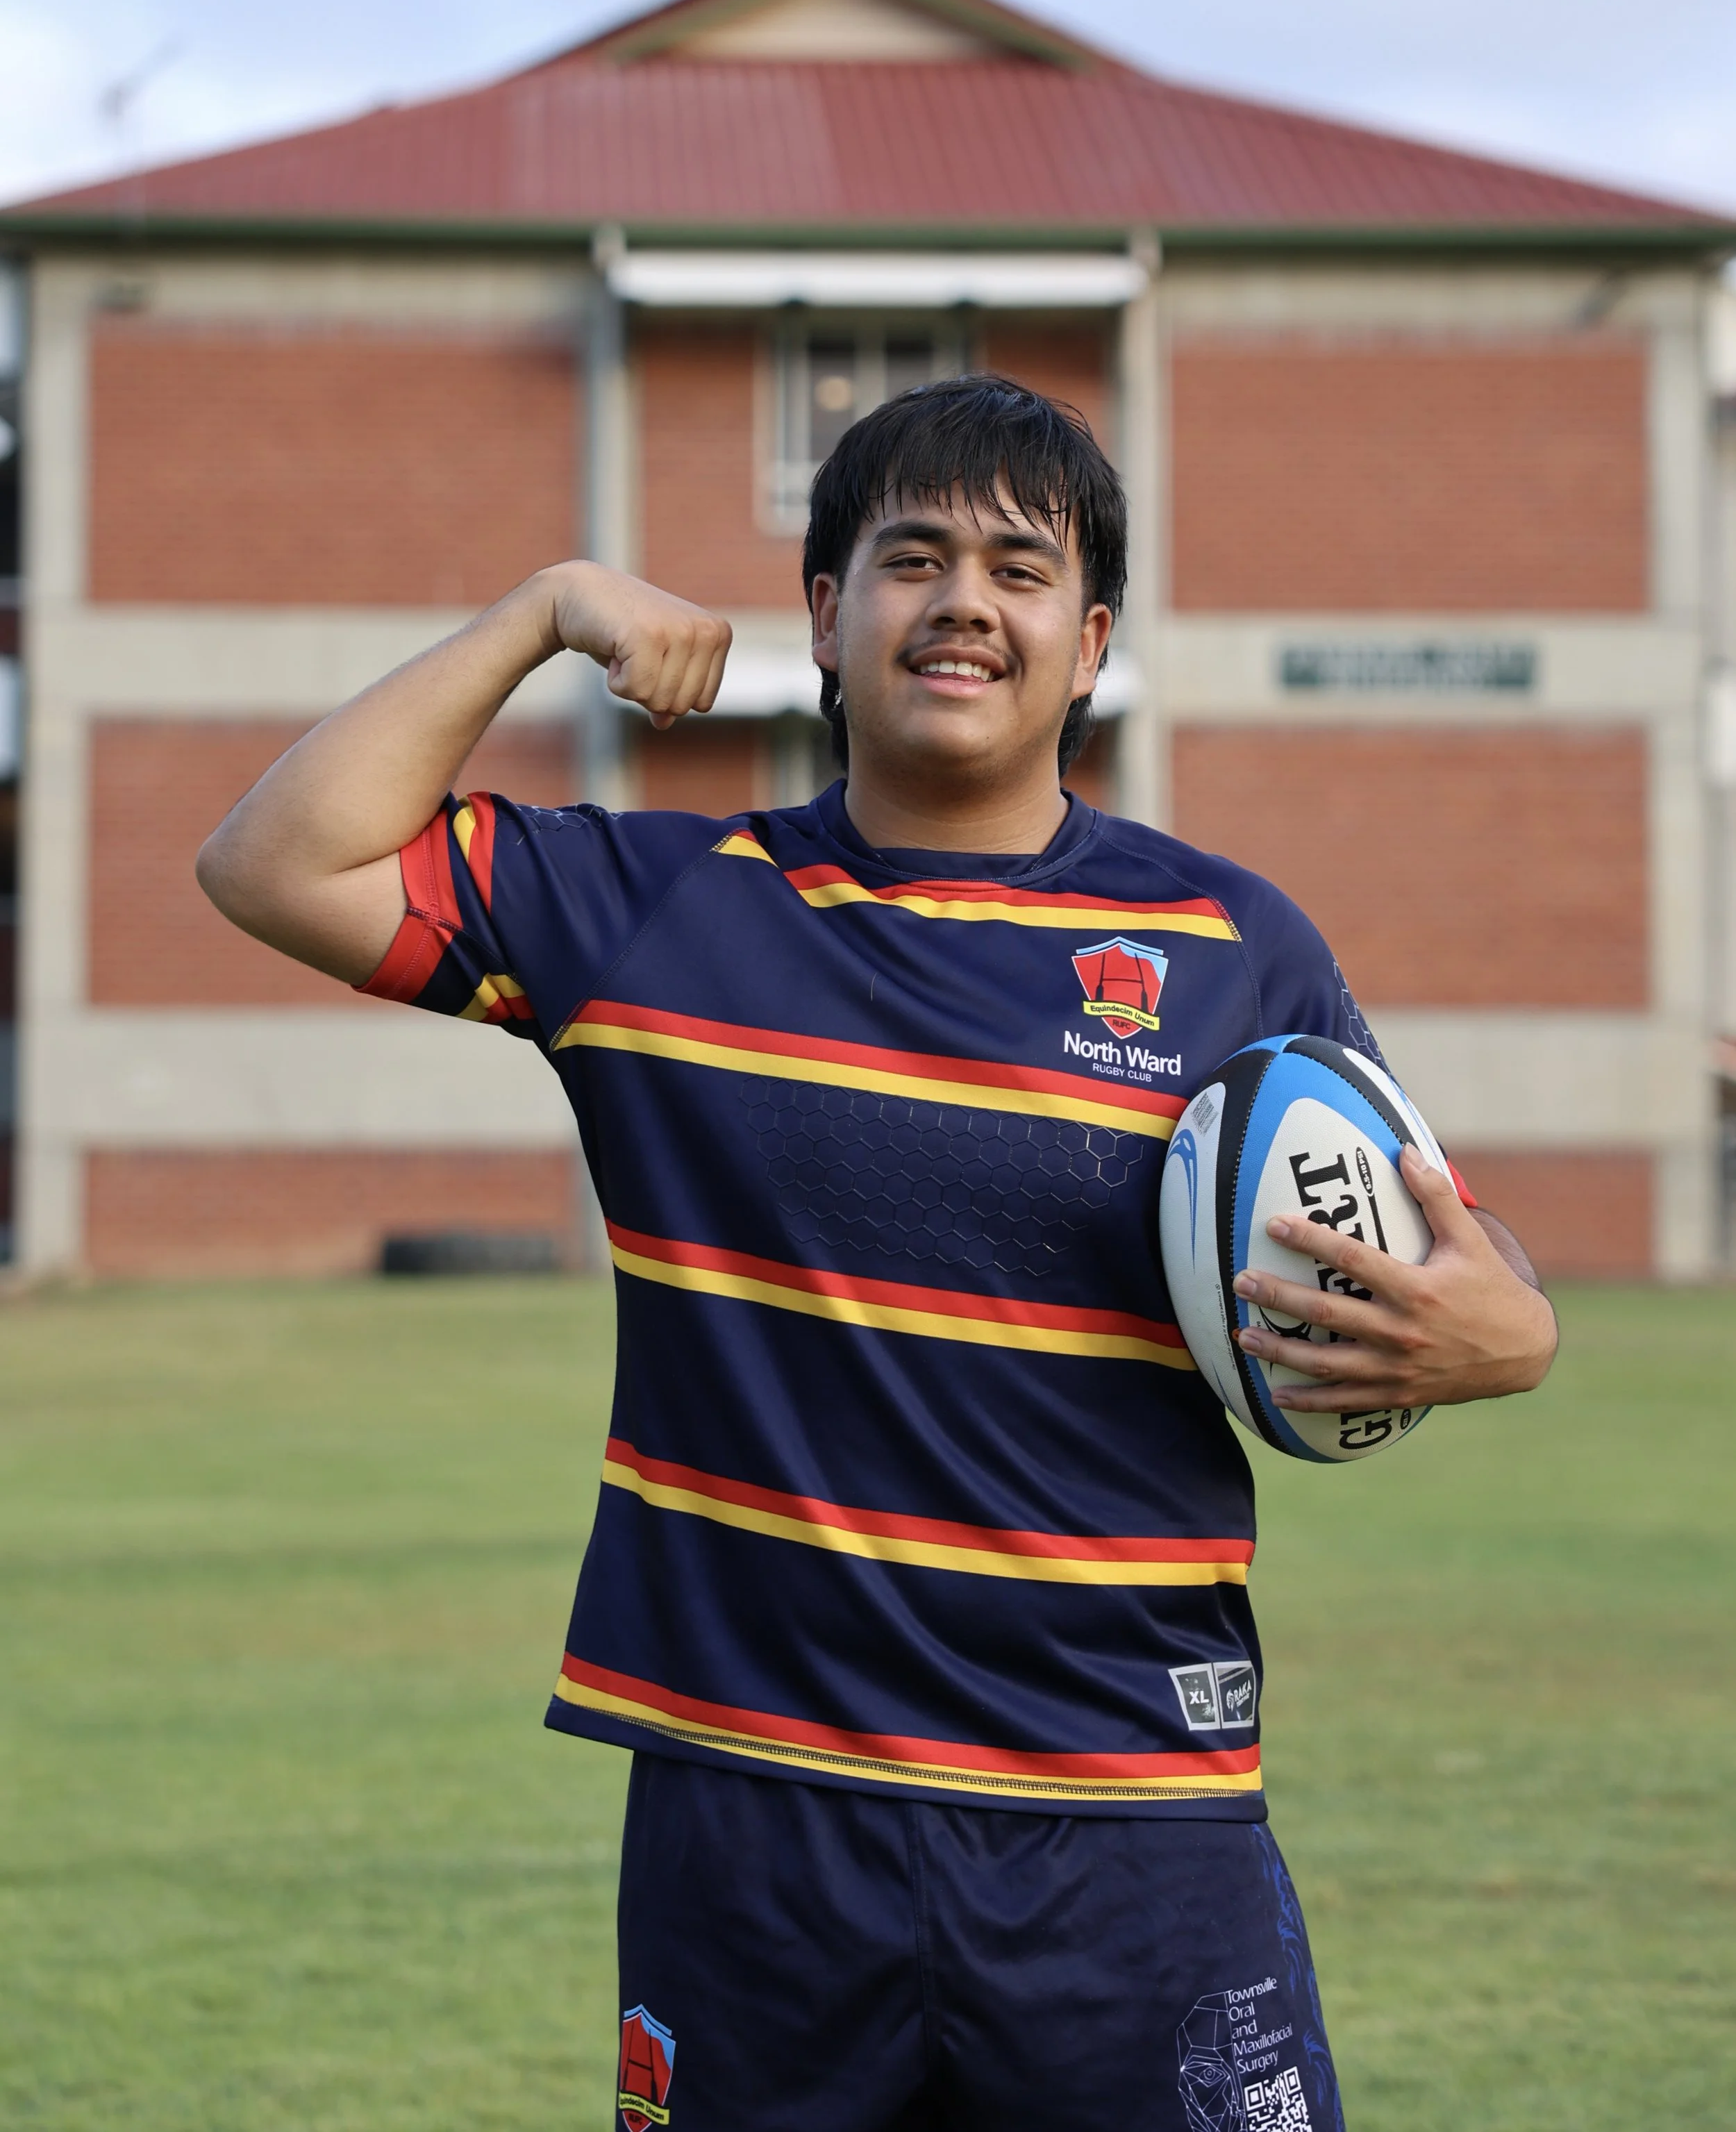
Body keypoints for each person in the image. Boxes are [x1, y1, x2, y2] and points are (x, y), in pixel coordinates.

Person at [199, 376, 1557, 2132]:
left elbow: (1446, 1232)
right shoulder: (653, 913)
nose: (963, 601)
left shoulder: (1228, 942)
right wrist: (539, 613)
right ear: (825, 619)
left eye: (1017, 566)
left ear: (1090, 642)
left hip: (1129, 1805)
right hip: (755, 1814)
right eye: (908, 558)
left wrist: (1503, 1333)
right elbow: (274, 861)